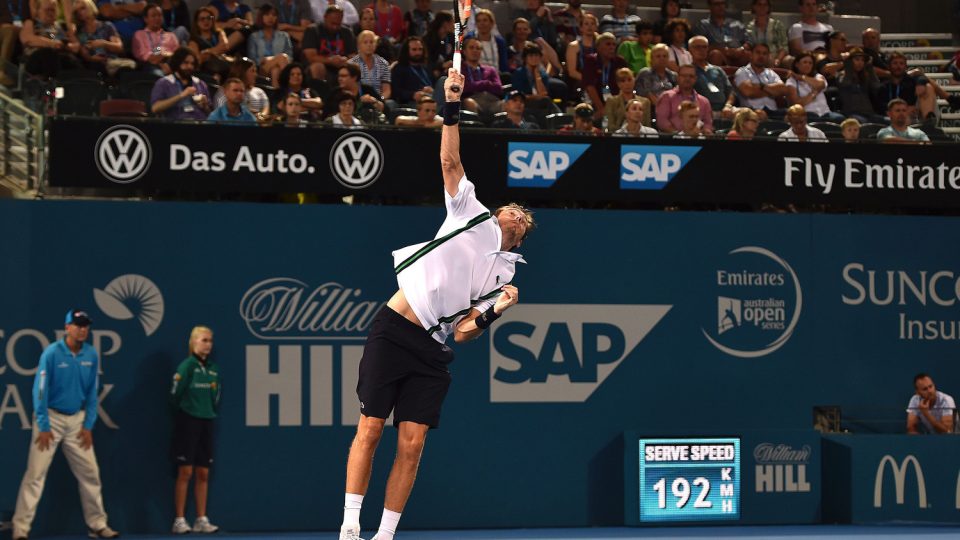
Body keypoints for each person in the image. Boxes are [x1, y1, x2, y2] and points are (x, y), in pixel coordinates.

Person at [337, 67, 531, 540]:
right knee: (371, 427)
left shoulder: (506, 273)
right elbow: (450, 161)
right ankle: (349, 528)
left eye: (524, 219)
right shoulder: (471, 212)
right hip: (394, 327)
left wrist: (494, 311)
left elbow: (465, 332)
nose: (517, 216)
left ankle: (384, 535)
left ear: (523, 233)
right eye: (513, 210)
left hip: (432, 348)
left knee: (413, 441)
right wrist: (451, 105)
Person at [11, 310, 120, 540]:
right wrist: (43, 424)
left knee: (91, 474)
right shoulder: (51, 353)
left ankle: (97, 525)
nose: (82, 330)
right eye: (78, 325)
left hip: (78, 422)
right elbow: (39, 390)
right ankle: (20, 530)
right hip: (50, 419)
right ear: (67, 327)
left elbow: (92, 393)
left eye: (86, 326)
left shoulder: (91, 354)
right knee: (35, 474)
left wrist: (88, 425)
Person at [170, 326, 221, 535]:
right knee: (185, 471)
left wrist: (207, 411)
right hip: (188, 421)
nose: (207, 344)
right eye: (203, 340)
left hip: (206, 421)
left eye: (209, 341)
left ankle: (201, 519)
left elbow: (216, 396)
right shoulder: (187, 367)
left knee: (203, 472)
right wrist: (186, 413)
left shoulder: (213, 369)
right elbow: (175, 395)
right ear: (193, 342)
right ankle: (180, 520)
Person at [20, 0, 81, 78]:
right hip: (36, 58)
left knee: (71, 59)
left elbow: (76, 46)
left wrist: (69, 46)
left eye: (53, 10)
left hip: (60, 56)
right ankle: (52, 85)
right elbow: (26, 38)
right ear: (38, 11)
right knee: (49, 52)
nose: (50, 13)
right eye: (47, 10)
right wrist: (53, 44)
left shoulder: (61, 26)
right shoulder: (31, 23)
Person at [151, 46, 212, 119]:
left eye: (192, 64)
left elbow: (210, 114)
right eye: (185, 63)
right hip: (175, 125)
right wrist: (181, 95)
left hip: (199, 124)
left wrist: (205, 106)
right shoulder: (163, 82)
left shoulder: (200, 83)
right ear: (177, 62)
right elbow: (155, 108)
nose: (189, 66)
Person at [73, 0, 131, 76]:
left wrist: (103, 43)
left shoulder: (106, 26)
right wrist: (92, 58)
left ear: (91, 7)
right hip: (93, 64)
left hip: (111, 62)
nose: (80, 13)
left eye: (82, 8)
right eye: (77, 11)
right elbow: (85, 55)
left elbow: (119, 47)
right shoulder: (80, 32)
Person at [734, 42, 791, 118]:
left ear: (768, 57)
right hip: (752, 112)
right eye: (758, 52)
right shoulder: (742, 72)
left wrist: (761, 86)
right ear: (751, 55)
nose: (761, 56)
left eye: (764, 54)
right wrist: (772, 91)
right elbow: (748, 92)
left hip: (773, 111)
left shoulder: (771, 73)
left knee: (794, 114)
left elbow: (783, 89)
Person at [301, 5, 356, 81]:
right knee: (318, 67)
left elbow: (353, 56)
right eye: (333, 23)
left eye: (338, 24)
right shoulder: (313, 30)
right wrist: (330, 61)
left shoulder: (347, 32)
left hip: (342, 67)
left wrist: (345, 60)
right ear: (325, 17)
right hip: (320, 66)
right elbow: (311, 57)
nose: (335, 27)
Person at [581, 32, 628, 120]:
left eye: (614, 44)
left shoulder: (620, 62)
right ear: (598, 47)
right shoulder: (591, 60)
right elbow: (589, 86)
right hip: (594, 102)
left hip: (616, 103)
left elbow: (625, 85)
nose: (612, 47)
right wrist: (602, 109)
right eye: (608, 44)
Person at [688, 35, 737, 119]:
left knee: (749, 115)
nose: (701, 50)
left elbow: (731, 92)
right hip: (702, 110)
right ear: (690, 50)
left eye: (704, 47)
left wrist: (728, 106)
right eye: (697, 47)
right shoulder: (688, 71)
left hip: (724, 109)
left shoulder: (718, 70)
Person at [655, 64, 712, 134]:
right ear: (678, 77)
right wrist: (680, 135)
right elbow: (662, 122)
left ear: (695, 79)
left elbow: (708, 123)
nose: (687, 79)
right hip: (673, 140)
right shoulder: (667, 96)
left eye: (691, 76)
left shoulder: (704, 101)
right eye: (684, 76)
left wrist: (704, 132)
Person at [786, 52, 843, 122]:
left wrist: (802, 77)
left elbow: (821, 85)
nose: (808, 65)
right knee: (813, 118)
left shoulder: (817, 76)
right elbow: (796, 104)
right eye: (805, 62)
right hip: (806, 114)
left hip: (825, 113)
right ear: (797, 64)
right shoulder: (791, 81)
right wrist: (813, 93)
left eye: (810, 63)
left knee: (840, 119)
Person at [188, 5, 238, 81]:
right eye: (202, 19)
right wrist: (215, 51)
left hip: (222, 64)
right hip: (205, 70)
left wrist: (208, 52)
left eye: (209, 18)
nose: (206, 21)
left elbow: (224, 46)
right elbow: (197, 60)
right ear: (196, 22)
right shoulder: (193, 40)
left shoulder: (219, 32)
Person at [693, 0, 749, 67]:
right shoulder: (703, 25)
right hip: (718, 57)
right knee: (716, 54)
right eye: (716, 4)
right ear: (710, 6)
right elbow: (700, 46)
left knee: (748, 54)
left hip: (737, 56)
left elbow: (748, 42)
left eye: (723, 3)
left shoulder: (737, 24)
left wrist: (741, 49)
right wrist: (725, 51)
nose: (720, 7)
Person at [247, 3, 292, 83]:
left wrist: (272, 59)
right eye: (267, 14)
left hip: (280, 67)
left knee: (275, 70)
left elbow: (290, 57)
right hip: (261, 68)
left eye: (274, 15)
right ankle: (288, 86)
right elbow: (252, 59)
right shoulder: (254, 37)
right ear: (261, 17)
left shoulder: (284, 36)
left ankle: (278, 93)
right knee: (282, 57)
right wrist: (267, 60)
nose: (270, 17)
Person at [837, 47, 883, 124]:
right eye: (857, 59)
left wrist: (870, 68)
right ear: (850, 61)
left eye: (862, 60)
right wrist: (848, 65)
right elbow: (846, 83)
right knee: (864, 123)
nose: (860, 63)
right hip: (851, 114)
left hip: (869, 113)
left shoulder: (865, 76)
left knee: (887, 121)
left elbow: (877, 86)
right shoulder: (842, 75)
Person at [132, 2, 179, 77]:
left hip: (170, 64)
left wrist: (163, 54)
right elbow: (147, 56)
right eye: (153, 16)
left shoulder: (171, 35)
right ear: (146, 19)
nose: (157, 18)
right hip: (148, 66)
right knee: (158, 75)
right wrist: (161, 52)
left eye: (160, 15)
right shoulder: (140, 34)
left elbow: (178, 55)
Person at [604, 67, 650, 132]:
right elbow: (610, 125)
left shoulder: (645, 102)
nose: (627, 83)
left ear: (634, 80)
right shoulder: (611, 101)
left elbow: (647, 125)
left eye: (629, 80)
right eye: (623, 81)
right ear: (618, 84)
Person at [349, 29, 391, 100]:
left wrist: (380, 99)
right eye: (365, 42)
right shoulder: (351, 64)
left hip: (377, 101)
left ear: (375, 45)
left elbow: (387, 90)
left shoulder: (383, 64)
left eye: (371, 42)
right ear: (359, 46)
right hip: (358, 100)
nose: (369, 45)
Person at [391, 36, 433, 106]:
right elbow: (395, 92)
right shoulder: (399, 68)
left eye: (420, 49)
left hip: (430, 98)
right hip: (411, 102)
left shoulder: (426, 68)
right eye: (414, 50)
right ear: (407, 51)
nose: (418, 53)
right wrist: (412, 95)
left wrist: (431, 90)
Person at [744, 0, 787, 66]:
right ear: (754, 7)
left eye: (765, 5)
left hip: (775, 56)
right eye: (759, 4)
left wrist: (778, 60)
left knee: (789, 60)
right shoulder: (749, 27)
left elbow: (784, 47)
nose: (762, 7)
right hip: (757, 57)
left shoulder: (777, 25)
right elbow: (748, 45)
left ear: (769, 7)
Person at [635, 42, 676, 107]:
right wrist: (662, 108)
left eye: (665, 56)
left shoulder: (673, 76)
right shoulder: (645, 73)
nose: (662, 58)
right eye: (658, 56)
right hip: (650, 110)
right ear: (651, 59)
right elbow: (647, 94)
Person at [564, 12, 597, 89]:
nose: (590, 26)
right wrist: (588, 81)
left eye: (592, 24)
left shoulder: (599, 45)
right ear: (581, 28)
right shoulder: (573, 46)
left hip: (597, 80)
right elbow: (572, 72)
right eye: (586, 24)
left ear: (596, 27)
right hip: (579, 81)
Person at [470, 8, 507, 72]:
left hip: (496, 76)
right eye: (479, 21)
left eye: (485, 20)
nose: (482, 23)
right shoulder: (469, 39)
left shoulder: (499, 42)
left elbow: (503, 64)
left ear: (492, 23)